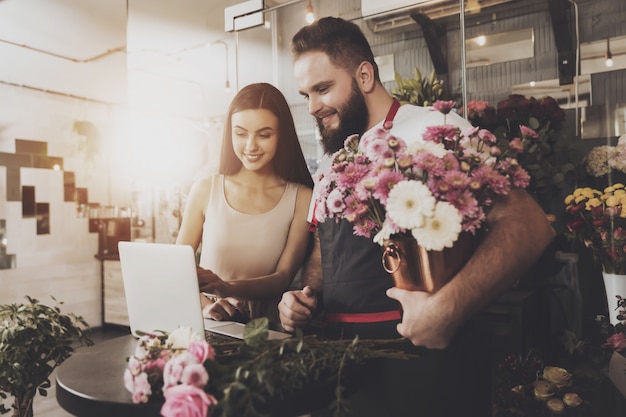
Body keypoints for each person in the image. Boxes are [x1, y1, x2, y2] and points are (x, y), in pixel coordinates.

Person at [277, 17, 556, 416]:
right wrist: (304, 298)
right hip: (341, 363)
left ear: (365, 74)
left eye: (323, 89)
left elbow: (528, 225)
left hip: (421, 361)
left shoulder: (435, 128)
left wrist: (447, 309)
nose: (312, 107)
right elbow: (326, 241)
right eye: (305, 94)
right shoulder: (335, 156)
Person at [176, 82, 314, 323]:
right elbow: (177, 268)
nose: (250, 146)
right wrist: (206, 307)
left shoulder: (301, 197)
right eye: (240, 133)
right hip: (209, 325)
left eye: (264, 135)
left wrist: (224, 286)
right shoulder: (206, 189)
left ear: (282, 135)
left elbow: (282, 278)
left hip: (269, 329)